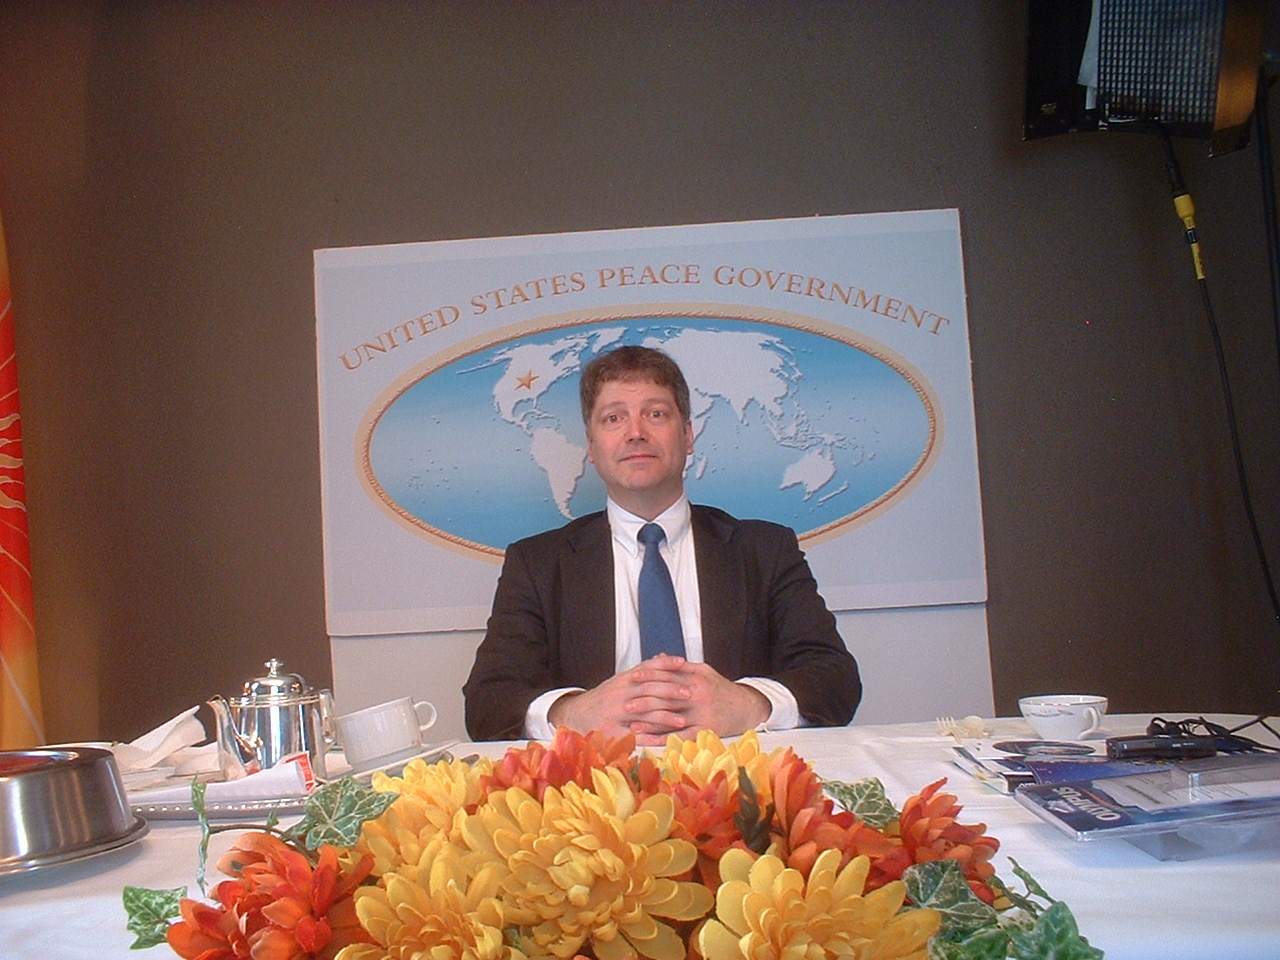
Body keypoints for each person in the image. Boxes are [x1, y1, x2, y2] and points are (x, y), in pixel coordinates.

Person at [463, 345, 860, 742]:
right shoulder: (536, 564)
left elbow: (834, 677)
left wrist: (750, 704)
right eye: (614, 418)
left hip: (734, 771)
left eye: (656, 414)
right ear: (592, 447)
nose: (636, 432)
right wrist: (573, 713)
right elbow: (487, 703)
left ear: (688, 435)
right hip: (597, 776)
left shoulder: (765, 550)